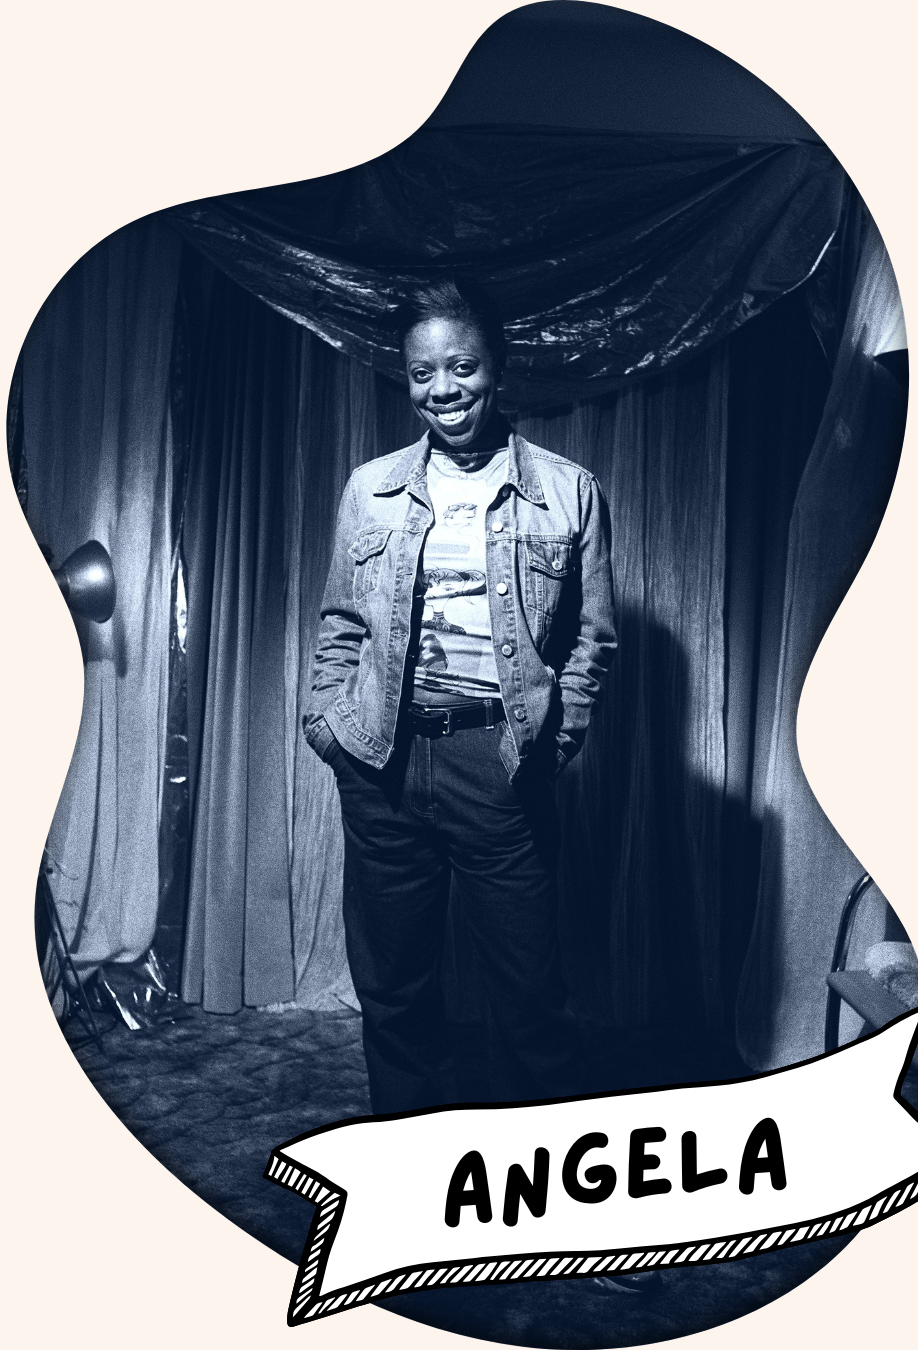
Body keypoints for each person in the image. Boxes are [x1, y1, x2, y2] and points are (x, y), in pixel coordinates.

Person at [302, 278, 616, 1114]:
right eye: (422, 373)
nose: (442, 388)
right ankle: (414, 1157)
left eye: (463, 367)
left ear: (497, 369)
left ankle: (529, 1170)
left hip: (500, 761)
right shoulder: (369, 488)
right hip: (381, 758)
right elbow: (341, 620)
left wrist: (557, 737)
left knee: (530, 997)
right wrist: (328, 725)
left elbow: (592, 639)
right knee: (395, 992)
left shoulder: (568, 491)